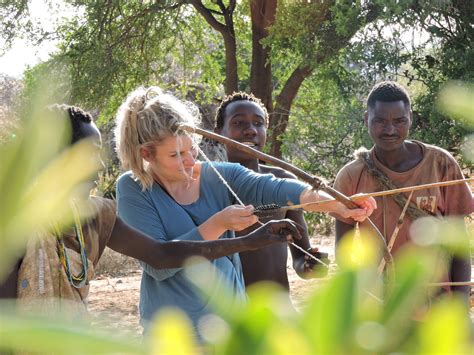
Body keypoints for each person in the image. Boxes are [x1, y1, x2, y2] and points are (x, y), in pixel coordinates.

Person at [114, 86, 376, 336]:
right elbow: (160, 262)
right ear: (147, 154)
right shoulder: (133, 188)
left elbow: (278, 188)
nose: (190, 160)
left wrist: (340, 203)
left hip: (231, 331)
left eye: (191, 148)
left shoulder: (218, 175)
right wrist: (222, 225)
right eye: (176, 155)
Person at [0, 104, 306, 312]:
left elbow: (161, 255)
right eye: (90, 153)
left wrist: (248, 241)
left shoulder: (95, 215)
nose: (99, 164)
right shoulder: (13, 223)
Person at [333, 81, 473, 299]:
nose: (390, 130)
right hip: (383, 306)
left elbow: (459, 245)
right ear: (366, 119)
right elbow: (345, 253)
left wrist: (461, 306)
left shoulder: (441, 164)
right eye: (380, 121)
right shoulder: (351, 176)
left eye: (399, 121)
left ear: (411, 119)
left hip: (438, 303)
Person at [214, 92, 327, 291]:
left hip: (277, 312)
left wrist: (310, 264)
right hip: (226, 313)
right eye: (239, 123)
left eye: (258, 123)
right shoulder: (207, 184)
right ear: (218, 132)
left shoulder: (283, 181)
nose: (250, 130)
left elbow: (300, 257)